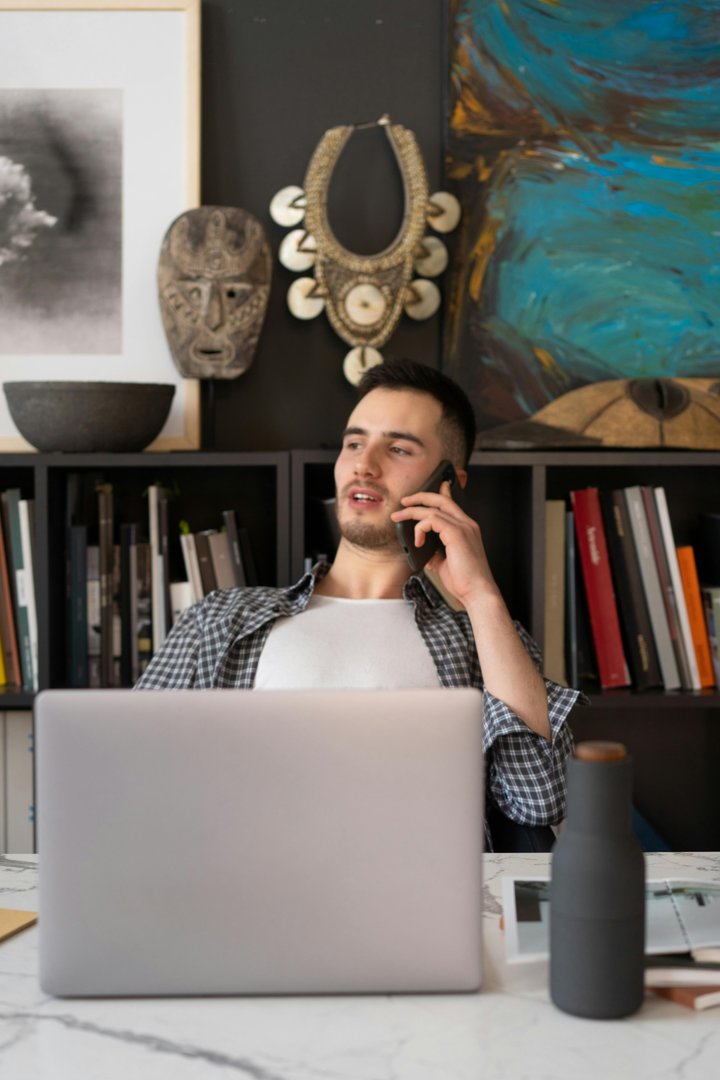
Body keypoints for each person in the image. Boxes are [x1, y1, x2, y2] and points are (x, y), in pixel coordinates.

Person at [136, 359, 582, 849]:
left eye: (396, 448)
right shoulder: (221, 619)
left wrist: (481, 596)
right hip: (249, 900)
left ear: (447, 482)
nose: (363, 465)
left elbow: (538, 800)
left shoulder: (481, 639)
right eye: (353, 443)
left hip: (418, 911)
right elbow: (129, 782)